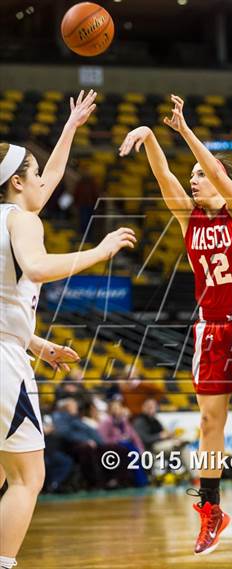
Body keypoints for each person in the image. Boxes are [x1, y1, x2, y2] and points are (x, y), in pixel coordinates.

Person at [119, 94, 232, 555]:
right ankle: (212, 511)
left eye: (201, 176)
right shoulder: (189, 220)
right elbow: (162, 174)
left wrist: (186, 131)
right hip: (211, 329)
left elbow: (208, 169)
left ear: (219, 179)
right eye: (191, 178)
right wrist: (151, 136)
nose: (193, 182)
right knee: (209, 422)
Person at [0, 90, 137, 569]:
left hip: (10, 347)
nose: (47, 182)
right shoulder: (21, 221)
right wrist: (99, 253)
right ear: (18, 182)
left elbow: (50, 175)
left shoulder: (6, 214)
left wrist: (70, 127)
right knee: (26, 478)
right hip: (3, 366)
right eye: (36, 175)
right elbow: (36, 269)